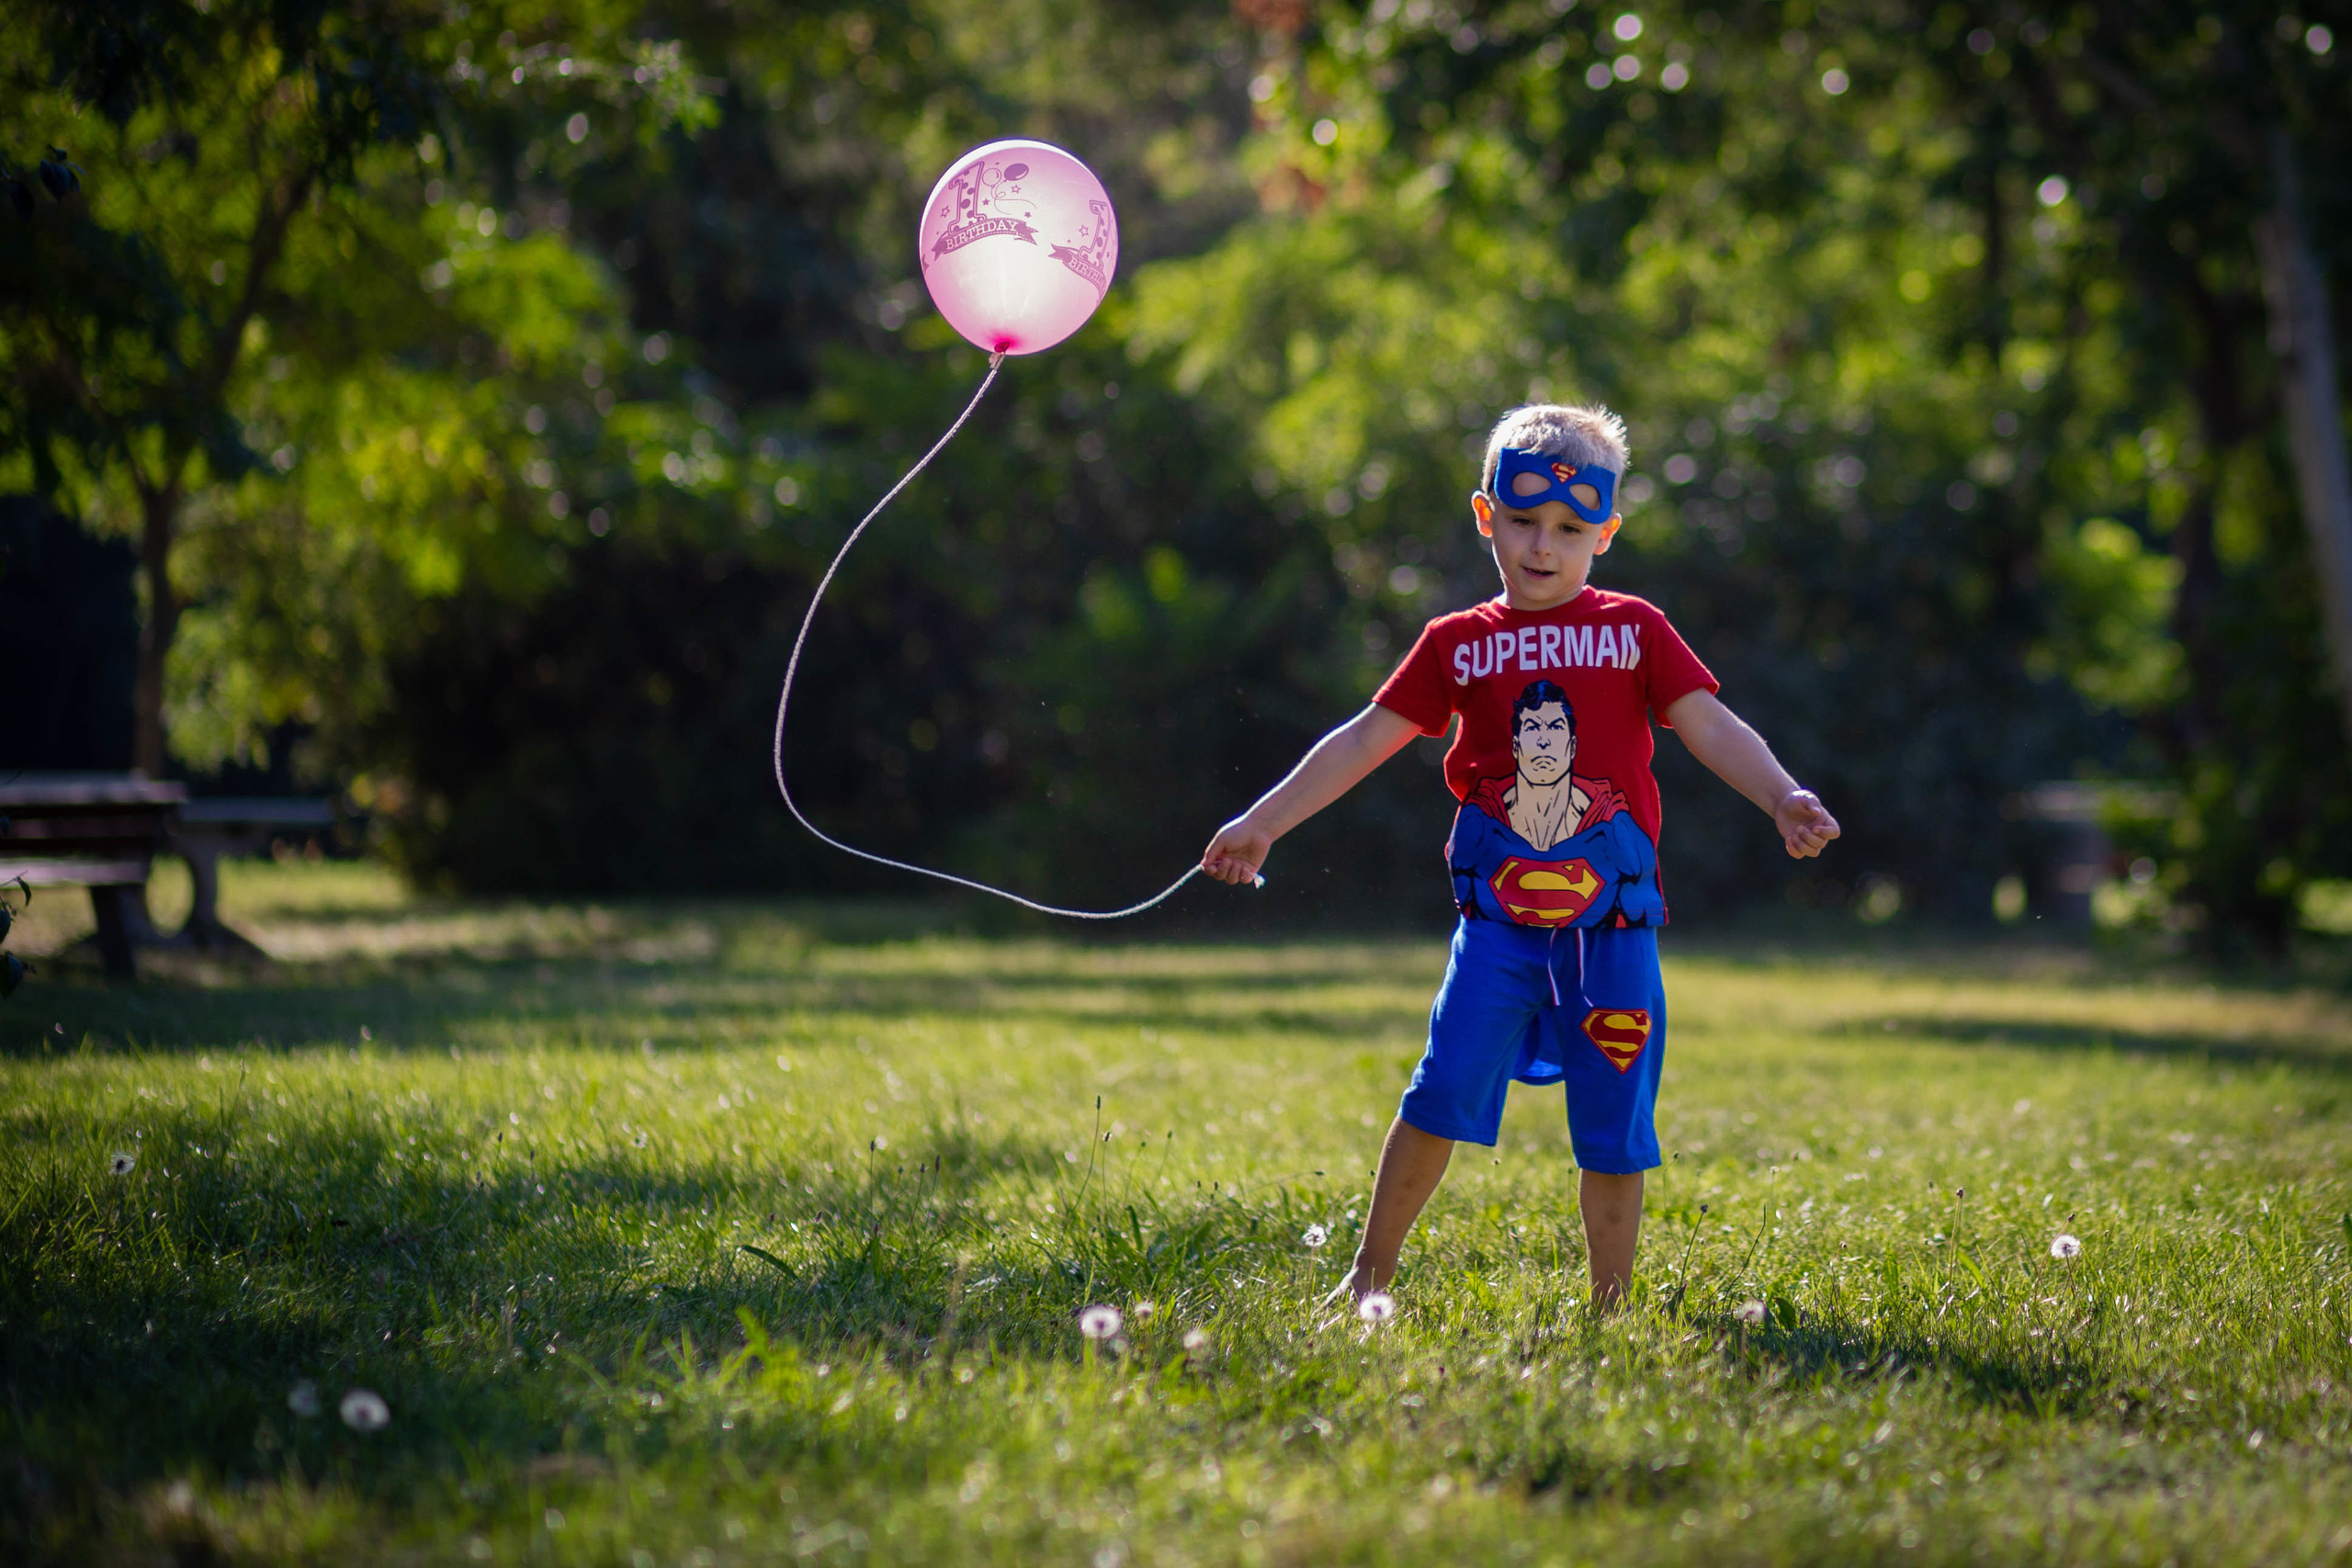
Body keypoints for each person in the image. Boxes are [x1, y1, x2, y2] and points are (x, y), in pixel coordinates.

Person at [1199, 402, 1839, 1312]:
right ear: (1483, 516)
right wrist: (1263, 820)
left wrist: (1782, 795)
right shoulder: (1457, 644)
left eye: (1570, 530)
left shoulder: (1636, 630)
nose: (1544, 547)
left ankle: (1611, 1309)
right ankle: (1366, 1279)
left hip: (1613, 932)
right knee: (1437, 1094)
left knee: (1615, 1130)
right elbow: (1359, 742)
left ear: (1604, 534)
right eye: (1523, 522)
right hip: (1497, 932)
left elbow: (1710, 724)